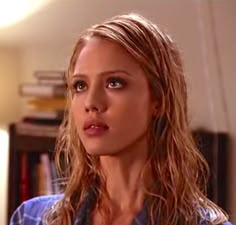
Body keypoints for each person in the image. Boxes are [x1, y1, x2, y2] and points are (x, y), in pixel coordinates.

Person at [10, 13, 233, 225]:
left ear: (159, 100)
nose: (91, 102)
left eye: (114, 83)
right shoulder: (32, 218)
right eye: (80, 86)